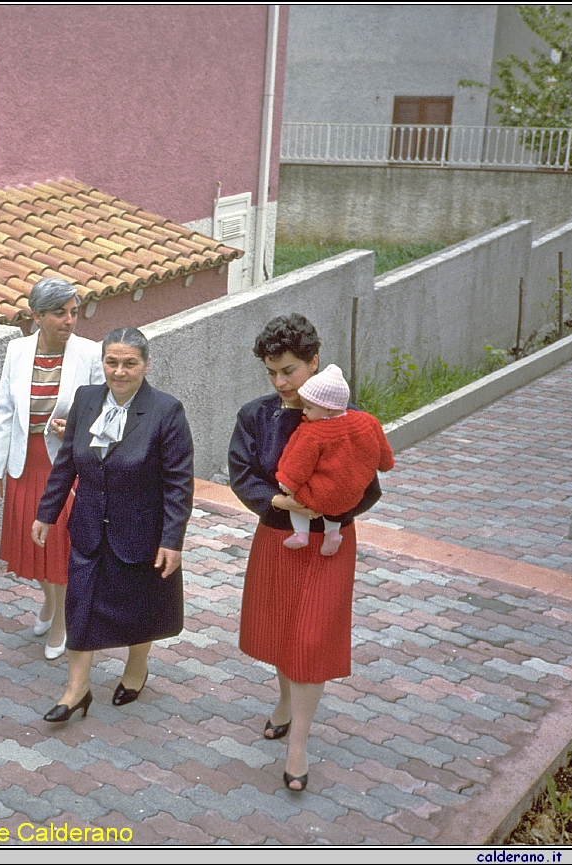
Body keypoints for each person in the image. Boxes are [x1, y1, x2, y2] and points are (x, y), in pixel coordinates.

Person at [228, 314, 383, 793]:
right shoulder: (256, 415)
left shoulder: (346, 418)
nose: (280, 383)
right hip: (278, 537)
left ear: (314, 363)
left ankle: (298, 744)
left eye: (290, 371)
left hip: (329, 544)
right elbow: (241, 473)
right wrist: (278, 501)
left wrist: (323, 507)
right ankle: (284, 704)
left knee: (312, 640)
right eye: (272, 372)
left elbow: (370, 486)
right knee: (281, 629)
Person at [32, 327, 194, 722]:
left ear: (146, 364)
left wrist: (172, 540)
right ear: (102, 362)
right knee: (80, 603)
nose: (119, 372)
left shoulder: (165, 411)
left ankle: (136, 670)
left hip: (142, 528)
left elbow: (178, 482)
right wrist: (46, 513)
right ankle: (76, 689)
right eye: (112, 362)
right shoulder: (86, 400)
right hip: (88, 523)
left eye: (130, 363)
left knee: (140, 604)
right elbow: (67, 461)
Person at [0, 277, 104, 659]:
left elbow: (106, 410)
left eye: (73, 312)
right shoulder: (16, 351)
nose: (70, 320)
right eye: (59, 313)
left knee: (60, 545)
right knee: (35, 548)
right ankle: (50, 601)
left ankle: (62, 621)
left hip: (66, 467)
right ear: (36, 316)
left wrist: (78, 428)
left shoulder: (89, 353)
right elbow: (4, 409)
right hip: (25, 463)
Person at [276, 364, 394, 556]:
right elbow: (384, 452)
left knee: (298, 497)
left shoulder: (313, 432)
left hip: (319, 496)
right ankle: (332, 533)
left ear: (329, 409)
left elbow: (299, 463)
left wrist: (287, 483)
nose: (304, 412)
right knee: (337, 501)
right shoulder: (367, 421)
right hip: (350, 495)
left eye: (308, 407)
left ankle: (301, 533)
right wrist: (386, 464)